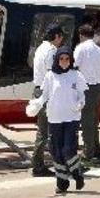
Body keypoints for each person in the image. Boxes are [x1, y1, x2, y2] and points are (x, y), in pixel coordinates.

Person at [27, 46, 88, 194]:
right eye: (61, 59)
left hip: (71, 118)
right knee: (56, 151)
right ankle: (62, 182)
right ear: (57, 60)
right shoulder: (50, 76)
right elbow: (45, 95)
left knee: (68, 149)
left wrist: (81, 103)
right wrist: (36, 104)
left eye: (67, 59)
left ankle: (77, 173)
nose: (64, 62)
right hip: (54, 118)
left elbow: (82, 95)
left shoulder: (76, 75)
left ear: (71, 60)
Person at [30, 25, 64, 177]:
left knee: (44, 130)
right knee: (47, 131)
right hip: (47, 93)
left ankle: (40, 164)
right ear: (56, 36)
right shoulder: (51, 51)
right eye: (61, 37)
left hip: (38, 90)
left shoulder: (40, 48)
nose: (61, 41)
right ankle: (39, 166)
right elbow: (54, 74)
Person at [74, 24, 100, 164]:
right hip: (98, 87)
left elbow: (74, 66)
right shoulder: (99, 50)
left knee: (86, 121)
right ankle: (96, 149)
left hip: (86, 88)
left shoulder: (81, 48)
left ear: (81, 35)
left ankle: (88, 153)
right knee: (94, 121)